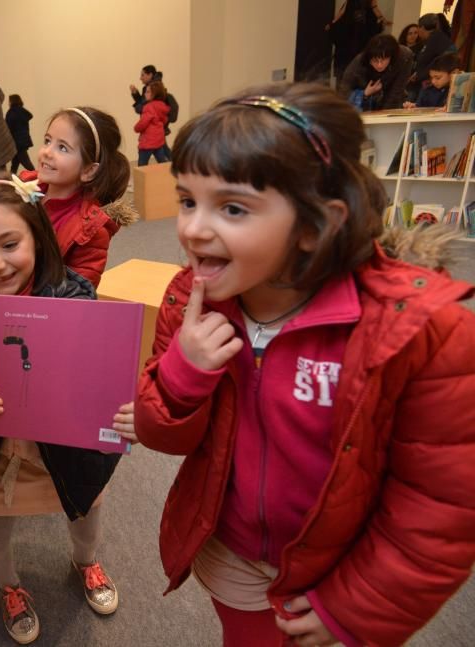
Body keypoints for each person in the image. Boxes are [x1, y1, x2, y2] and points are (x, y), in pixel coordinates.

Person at [125, 82, 475, 647]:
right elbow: (161, 433)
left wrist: (356, 605)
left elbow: (439, 510)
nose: (191, 228)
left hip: (340, 565)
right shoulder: (188, 300)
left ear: (315, 225)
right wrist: (183, 371)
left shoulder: (424, 334)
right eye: (188, 200)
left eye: (232, 207)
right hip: (234, 550)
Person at [0, 174, 134, 644]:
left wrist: (124, 409)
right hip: (3, 456)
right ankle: (10, 586)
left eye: (9, 244)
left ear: (37, 237)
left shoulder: (74, 293)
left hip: (69, 452)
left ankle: (85, 564)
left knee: (87, 519)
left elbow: (100, 373)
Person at [17, 107, 134, 288]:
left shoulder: (90, 232)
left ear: (88, 171)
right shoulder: (19, 189)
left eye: (62, 147)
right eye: (47, 141)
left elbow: (76, 296)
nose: (47, 152)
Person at [339, 33, 413, 111]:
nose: (379, 65)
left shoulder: (404, 56)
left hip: (391, 100)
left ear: (391, 56)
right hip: (362, 104)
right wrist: (364, 94)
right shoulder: (359, 63)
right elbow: (343, 93)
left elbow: (396, 91)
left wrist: (385, 116)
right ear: (369, 58)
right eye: (375, 60)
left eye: (384, 60)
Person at [130, 64, 179, 156]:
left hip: (153, 126)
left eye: (143, 75)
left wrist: (138, 127)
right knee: (162, 150)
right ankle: (175, 165)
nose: (140, 78)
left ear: (150, 75)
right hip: (156, 126)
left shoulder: (153, 88)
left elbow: (143, 107)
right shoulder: (153, 87)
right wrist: (135, 94)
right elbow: (143, 104)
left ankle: (176, 165)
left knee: (150, 154)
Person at [134, 80, 171, 166]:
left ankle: (141, 179)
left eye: (148, 92)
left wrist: (136, 128)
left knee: (142, 166)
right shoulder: (162, 106)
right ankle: (167, 176)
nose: (145, 94)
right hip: (159, 140)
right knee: (162, 162)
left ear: (154, 94)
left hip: (147, 142)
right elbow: (165, 120)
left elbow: (143, 122)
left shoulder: (148, 107)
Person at [5, 94, 35, 174]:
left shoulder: (11, 113)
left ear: (12, 101)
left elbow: (8, 128)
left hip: (16, 142)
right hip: (23, 140)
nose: (8, 103)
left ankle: (38, 177)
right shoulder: (23, 111)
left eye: (9, 101)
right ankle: (10, 179)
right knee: (15, 164)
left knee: (27, 164)